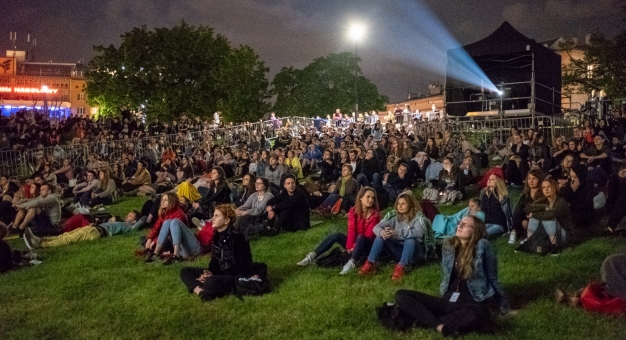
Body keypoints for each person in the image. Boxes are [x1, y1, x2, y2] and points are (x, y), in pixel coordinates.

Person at [394, 215, 510, 337]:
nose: (460, 225)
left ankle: (423, 319)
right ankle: (440, 326)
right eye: (460, 223)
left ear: (475, 231)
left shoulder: (483, 245)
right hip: (447, 301)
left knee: (479, 314)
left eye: (465, 225)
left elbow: (493, 278)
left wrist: (504, 306)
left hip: (471, 303)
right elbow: (446, 275)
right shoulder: (449, 245)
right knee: (401, 295)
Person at [298, 187, 381, 274]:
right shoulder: (353, 211)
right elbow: (351, 230)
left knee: (361, 237)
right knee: (336, 235)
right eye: (368, 197)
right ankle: (312, 256)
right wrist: (349, 247)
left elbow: (368, 235)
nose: (371, 200)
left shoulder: (375, 214)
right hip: (354, 244)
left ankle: (351, 263)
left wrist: (353, 248)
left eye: (373, 198)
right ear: (360, 197)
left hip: (368, 246)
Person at [179, 204, 253, 301]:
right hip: (219, 273)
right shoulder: (216, 235)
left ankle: (205, 285)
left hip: (234, 275)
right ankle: (201, 292)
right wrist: (208, 272)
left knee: (210, 282)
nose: (212, 219)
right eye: (213, 215)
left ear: (226, 220)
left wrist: (214, 275)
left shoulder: (237, 237)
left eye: (217, 216)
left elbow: (239, 266)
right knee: (185, 271)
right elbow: (215, 259)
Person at [359, 192, 430, 281]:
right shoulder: (395, 219)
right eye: (398, 204)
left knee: (410, 239)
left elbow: (419, 233)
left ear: (410, 205)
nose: (400, 206)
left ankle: (403, 267)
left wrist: (397, 232)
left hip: (415, 254)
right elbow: (376, 227)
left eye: (403, 204)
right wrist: (382, 232)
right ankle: (370, 263)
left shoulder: (418, 219)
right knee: (381, 236)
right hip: (399, 252)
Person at [23, 211, 143, 249]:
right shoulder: (121, 222)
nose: (128, 216)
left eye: (131, 216)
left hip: (97, 232)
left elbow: (143, 219)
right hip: (93, 228)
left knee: (68, 239)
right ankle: (39, 240)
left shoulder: (129, 227)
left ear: (134, 221)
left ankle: (42, 245)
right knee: (66, 235)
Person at [523, 179, 572, 254]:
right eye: (543, 187)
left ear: (554, 188)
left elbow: (552, 214)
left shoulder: (561, 202)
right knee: (534, 218)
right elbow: (528, 208)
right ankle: (530, 242)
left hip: (564, 235)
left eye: (549, 187)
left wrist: (534, 214)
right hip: (550, 233)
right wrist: (543, 207)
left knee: (547, 218)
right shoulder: (544, 200)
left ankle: (554, 247)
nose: (546, 189)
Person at [511, 169, 544, 244]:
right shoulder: (525, 194)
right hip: (525, 218)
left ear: (539, 180)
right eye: (529, 178)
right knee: (518, 209)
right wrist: (523, 219)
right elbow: (520, 210)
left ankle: (527, 236)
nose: (531, 181)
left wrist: (529, 220)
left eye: (534, 179)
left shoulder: (543, 194)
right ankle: (514, 231)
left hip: (537, 218)